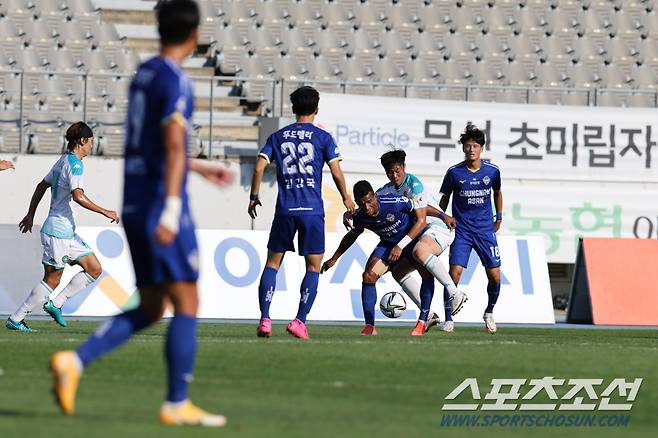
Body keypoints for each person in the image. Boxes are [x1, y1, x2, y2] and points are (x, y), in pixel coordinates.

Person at [50, 0, 233, 427]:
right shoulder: (176, 80)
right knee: (187, 299)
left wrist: (200, 167)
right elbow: (171, 146)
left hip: (134, 203)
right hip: (160, 206)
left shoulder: (145, 75)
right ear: (194, 34)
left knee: (153, 306)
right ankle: (176, 402)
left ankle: (75, 362)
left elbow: (157, 147)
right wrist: (171, 211)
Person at [248, 85, 355, 340]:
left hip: (285, 209)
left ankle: (265, 319)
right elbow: (336, 173)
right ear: (316, 110)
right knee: (313, 267)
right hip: (311, 210)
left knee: (273, 264)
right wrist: (347, 199)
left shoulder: (278, 136)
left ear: (293, 109)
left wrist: (254, 196)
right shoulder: (323, 138)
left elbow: (259, 167)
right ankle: (299, 321)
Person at [5, 122, 118, 333]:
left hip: (67, 231)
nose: (92, 146)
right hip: (58, 232)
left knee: (94, 268)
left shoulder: (62, 160)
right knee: (52, 279)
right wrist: (105, 211)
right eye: (91, 141)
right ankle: (16, 318)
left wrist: (30, 214)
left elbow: (41, 186)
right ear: (82, 141)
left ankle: (56, 304)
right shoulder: (75, 164)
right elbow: (78, 195)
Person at [343, 149, 467, 332]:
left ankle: (454, 293)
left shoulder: (414, 185)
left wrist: (442, 215)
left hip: (436, 227)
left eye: (397, 170)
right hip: (416, 234)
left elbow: (422, 218)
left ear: (404, 167)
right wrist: (348, 214)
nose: (394, 175)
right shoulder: (385, 191)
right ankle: (429, 315)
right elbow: (367, 205)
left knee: (420, 252)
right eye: (390, 172)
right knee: (399, 272)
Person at [322, 180, 435, 336]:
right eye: (362, 204)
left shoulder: (393, 201)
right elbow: (352, 235)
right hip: (388, 246)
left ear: (374, 196)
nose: (367, 207)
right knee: (369, 276)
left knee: (426, 272)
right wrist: (334, 258)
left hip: (411, 241)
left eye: (369, 202)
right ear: (357, 203)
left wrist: (443, 216)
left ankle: (422, 322)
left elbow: (421, 209)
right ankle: (369, 326)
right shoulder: (361, 216)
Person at [438, 124, 503, 334]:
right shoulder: (454, 172)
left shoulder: (492, 172)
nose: (471, 149)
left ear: (481, 148)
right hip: (462, 231)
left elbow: (497, 192)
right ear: (463, 148)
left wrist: (498, 217)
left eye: (475, 145)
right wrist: (440, 219)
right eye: (467, 146)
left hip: (485, 230)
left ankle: (489, 312)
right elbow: (445, 198)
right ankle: (448, 319)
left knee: (494, 277)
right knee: (453, 275)